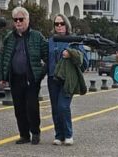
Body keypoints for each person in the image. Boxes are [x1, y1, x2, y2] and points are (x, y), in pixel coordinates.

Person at [0, 6, 48, 145]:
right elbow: (4, 58)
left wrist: (40, 74)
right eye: (16, 20)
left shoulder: (37, 36)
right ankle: (24, 135)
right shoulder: (9, 37)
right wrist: (2, 77)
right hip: (15, 78)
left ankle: (35, 133)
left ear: (27, 20)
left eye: (21, 19)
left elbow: (47, 57)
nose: (18, 22)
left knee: (31, 107)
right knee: (19, 108)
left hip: (31, 79)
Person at [47, 14, 88, 146]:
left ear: (66, 25)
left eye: (61, 23)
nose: (59, 26)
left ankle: (68, 134)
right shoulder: (51, 40)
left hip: (68, 79)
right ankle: (59, 135)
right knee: (55, 108)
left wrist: (70, 53)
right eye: (56, 24)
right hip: (53, 78)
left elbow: (83, 60)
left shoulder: (73, 40)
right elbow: (46, 59)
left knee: (63, 106)